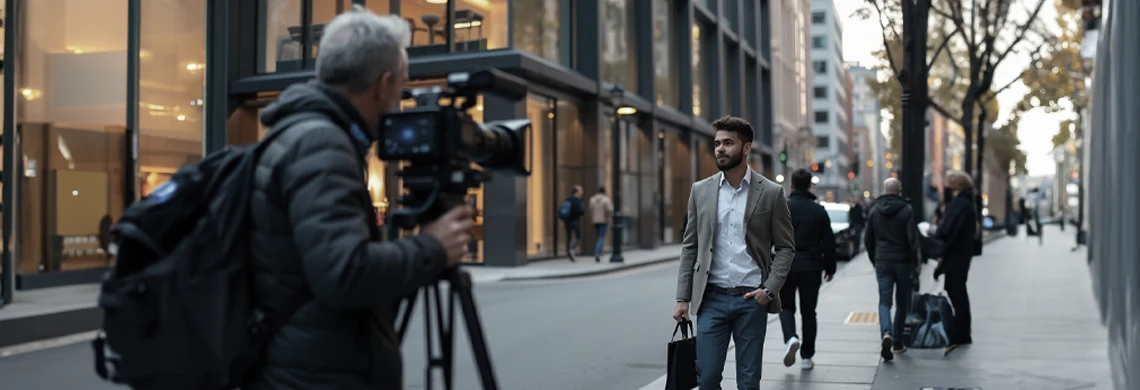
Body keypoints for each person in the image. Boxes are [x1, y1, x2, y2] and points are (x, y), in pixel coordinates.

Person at [246, 7, 474, 389]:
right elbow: (343, 273)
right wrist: (432, 248)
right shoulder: (322, 145)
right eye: (401, 86)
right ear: (383, 85)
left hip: (300, 364)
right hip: (319, 376)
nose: (399, 99)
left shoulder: (297, 133)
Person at [672, 116, 796, 390]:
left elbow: (786, 247)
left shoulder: (771, 193)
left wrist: (770, 289)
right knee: (707, 379)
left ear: (747, 147)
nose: (720, 149)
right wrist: (683, 298)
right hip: (710, 300)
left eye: (728, 143)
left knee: (749, 383)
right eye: (717, 143)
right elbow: (690, 246)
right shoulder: (701, 191)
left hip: (751, 300)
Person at [777, 169, 837, 370]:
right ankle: (807, 357)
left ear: (792, 185)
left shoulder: (783, 207)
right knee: (809, 312)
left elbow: (770, 238)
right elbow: (829, 242)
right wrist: (830, 268)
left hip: (786, 266)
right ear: (810, 186)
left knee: (786, 306)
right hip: (812, 266)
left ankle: (790, 338)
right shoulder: (818, 210)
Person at [862, 177, 921, 361]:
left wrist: (875, 259)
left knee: (884, 302)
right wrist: (914, 263)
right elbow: (912, 239)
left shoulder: (874, 210)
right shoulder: (906, 210)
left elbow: (868, 240)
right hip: (902, 261)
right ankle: (897, 342)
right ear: (899, 190)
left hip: (882, 260)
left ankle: (885, 333)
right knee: (902, 301)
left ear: (885, 190)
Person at [933, 170, 978, 355]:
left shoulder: (960, 204)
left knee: (956, 291)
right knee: (957, 290)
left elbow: (947, 229)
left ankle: (961, 334)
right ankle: (962, 333)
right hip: (962, 254)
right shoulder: (967, 203)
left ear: (955, 185)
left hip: (956, 256)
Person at [559, 185, 587, 261]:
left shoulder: (567, 199)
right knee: (578, 236)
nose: (582, 192)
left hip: (567, 221)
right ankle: (572, 248)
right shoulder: (577, 201)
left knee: (569, 236)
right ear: (576, 192)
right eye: (580, 190)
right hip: (575, 221)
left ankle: (568, 251)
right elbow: (581, 211)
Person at [587, 186, 614, 262]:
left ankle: (599, 252)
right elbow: (610, 209)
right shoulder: (606, 199)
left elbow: (590, 209)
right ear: (604, 192)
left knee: (599, 236)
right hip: (603, 220)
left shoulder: (592, 199)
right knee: (601, 237)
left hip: (595, 221)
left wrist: (592, 217)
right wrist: (608, 216)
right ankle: (597, 253)